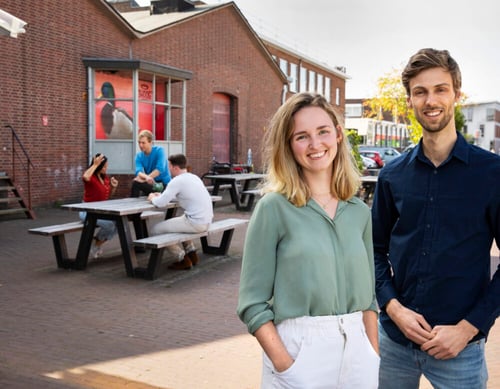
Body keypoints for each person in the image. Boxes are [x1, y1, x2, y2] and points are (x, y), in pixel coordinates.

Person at [372, 48, 500, 389]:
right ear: (410, 101)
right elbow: (372, 251)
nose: (431, 100)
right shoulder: (392, 175)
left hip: (461, 350)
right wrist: (394, 308)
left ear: (457, 94)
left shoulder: (492, 174)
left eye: (440, 89)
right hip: (395, 345)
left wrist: (469, 327)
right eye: (420, 92)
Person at [237, 92, 379, 388]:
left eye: (323, 131)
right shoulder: (274, 208)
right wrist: (285, 365)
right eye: (302, 136)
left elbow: (368, 301)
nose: (315, 145)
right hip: (300, 352)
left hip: (358, 353)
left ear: (338, 135)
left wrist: (372, 354)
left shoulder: (359, 213)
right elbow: (252, 303)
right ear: (289, 146)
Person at [147, 154, 213, 270]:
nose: (168, 169)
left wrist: (152, 197)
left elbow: (160, 203)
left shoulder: (177, 181)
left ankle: (182, 259)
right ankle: (191, 253)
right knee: (179, 222)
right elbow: (181, 195)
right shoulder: (194, 177)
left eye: (169, 166)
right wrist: (162, 195)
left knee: (156, 230)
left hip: (195, 223)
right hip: (206, 221)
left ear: (175, 167)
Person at [79, 153, 119, 258]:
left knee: (119, 223)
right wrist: (95, 165)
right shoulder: (91, 177)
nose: (106, 168)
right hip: (87, 211)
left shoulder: (105, 178)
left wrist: (113, 187)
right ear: (98, 166)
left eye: (107, 166)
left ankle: (96, 242)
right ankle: (95, 245)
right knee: (109, 225)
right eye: (104, 166)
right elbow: (85, 176)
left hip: (100, 211)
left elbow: (106, 197)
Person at [130, 129, 171, 197]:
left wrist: (145, 179)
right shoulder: (139, 156)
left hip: (163, 184)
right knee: (135, 183)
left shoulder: (159, 151)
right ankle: (132, 205)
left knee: (139, 182)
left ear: (150, 142)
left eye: (143, 143)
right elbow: (138, 172)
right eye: (139, 142)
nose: (140, 145)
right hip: (151, 183)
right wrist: (146, 178)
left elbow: (159, 169)